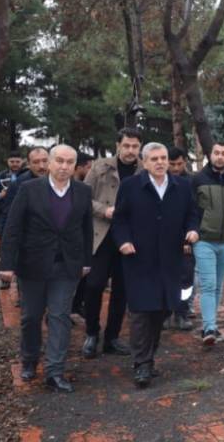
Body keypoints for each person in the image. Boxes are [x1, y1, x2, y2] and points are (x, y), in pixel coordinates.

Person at [0, 145, 94, 393]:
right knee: (31, 316)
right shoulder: (29, 189)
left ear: (75, 166)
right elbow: (13, 227)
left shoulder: (83, 192)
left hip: (66, 265)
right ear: (49, 163)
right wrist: (6, 264)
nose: (64, 166)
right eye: (59, 161)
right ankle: (29, 359)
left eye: (69, 162)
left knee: (60, 316)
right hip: (33, 265)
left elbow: (86, 229)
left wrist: (86, 260)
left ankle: (55, 372)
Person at [111, 142, 198, 387]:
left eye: (163, 158)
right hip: (139, 258)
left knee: (162, 309)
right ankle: (142, 364)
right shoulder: (131, 186)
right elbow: (120, 219)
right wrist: (123, 241)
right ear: (145, 162)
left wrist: (192, 229)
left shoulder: (182, 185)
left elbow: (192, 213)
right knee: (141, 311)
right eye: (154, 159)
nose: (160, 162)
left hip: (170, 259)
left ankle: (148, 357)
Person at [81, 128, 141, 359]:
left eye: (135, 146)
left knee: (122, 289)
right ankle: (91, 333)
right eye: (126, 145)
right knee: (94, 285)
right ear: (118, 145)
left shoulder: (144, 170)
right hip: (102, 234)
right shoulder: (99, 167)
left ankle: (112, 337)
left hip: (129, 237)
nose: (130, 150)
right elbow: (83, 197)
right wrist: (104, 210)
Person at [189, 141, 224, 345]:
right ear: (210, 155)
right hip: (204, 240)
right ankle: (209, 327)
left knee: (218, 285)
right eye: (216, 153)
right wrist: (193, 231)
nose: (220, 156)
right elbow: (191, 209)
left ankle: (211, 325)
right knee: (208, 284)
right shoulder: (198, 179)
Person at [166, 146, 195, 331]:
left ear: (185, 162)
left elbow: (193, 211)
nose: (176, 168)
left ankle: (182, 313)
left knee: (185, 277)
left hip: (185, 238)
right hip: (162, 237)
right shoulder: (159, 180)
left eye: (179, 164)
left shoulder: (191, 183)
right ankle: (165, 312)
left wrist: (188, 238)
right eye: (172, 164)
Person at [0, 147, 48, 235]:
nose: (41, 166)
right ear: (28, 164)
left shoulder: (61, 181)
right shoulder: (18, 184)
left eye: (45, 161)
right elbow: (7, 216)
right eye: (36, 162)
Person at [70, 152, 96, 317]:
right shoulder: (71, 188)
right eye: (89, 167)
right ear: (79, 167)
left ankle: (76, 305)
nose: (92, 171)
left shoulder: (85, 188)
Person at [0, 151, 25, 233]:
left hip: (25, 214)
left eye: (17, 162)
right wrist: (0, 195)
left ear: (22, 161)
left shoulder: (28, 174)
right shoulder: (0, 176)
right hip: (5, 215)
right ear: (7, 161)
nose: (15, 164)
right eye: (12, 162)